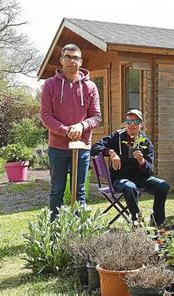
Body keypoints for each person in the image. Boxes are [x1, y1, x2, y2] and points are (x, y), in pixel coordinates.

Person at [40, 43, 101, 221]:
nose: (71, 61)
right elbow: (45, 116)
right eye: (68, 57)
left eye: (75, 58)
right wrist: (66, 131)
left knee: (79, 191)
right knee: (57, 189)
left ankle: (78, 231)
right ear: (61, 60)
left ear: (80, 61)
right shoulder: (50, 85)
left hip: (81, 147)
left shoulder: (90, 87)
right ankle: (55, 230)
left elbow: (96, 117)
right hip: (57, 147)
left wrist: (81, 126)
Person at [91, 109, 170, 227]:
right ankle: (137, 221)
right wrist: (111, 152)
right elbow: (95, 147)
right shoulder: (116, 137)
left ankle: (157, 222)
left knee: (163, 186)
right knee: (129, 187)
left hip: (141, 179)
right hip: (120, 179)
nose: (132, 124)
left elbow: (150, 170)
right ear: (125, 123)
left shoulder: (145, 142)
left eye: (135, 121)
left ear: (141, 124)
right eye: (128, 121)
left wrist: (142, 161)